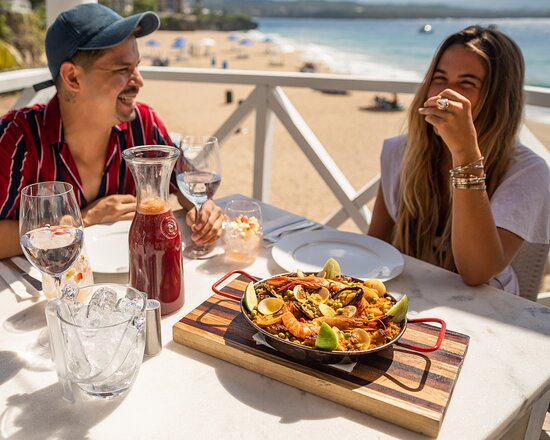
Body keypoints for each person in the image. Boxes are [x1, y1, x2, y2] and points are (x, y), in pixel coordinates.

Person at [0, 3, 222, 259]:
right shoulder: (17, 138)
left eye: (136, 66)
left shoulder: (143, 124)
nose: (139, 81)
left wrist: (203, 209)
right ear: (72, 78)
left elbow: (184, 185)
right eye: (122, 69)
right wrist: (81, 220)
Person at [368, 25, 550, 295]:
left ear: (499, 99)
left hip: (487, 313)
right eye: (439, 78)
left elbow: (477, 272)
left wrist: (465, 155)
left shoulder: (527, 171)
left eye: (466, 83)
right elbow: (374, 247)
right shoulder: (400, 152)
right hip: (408, 302)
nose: (445, 95)